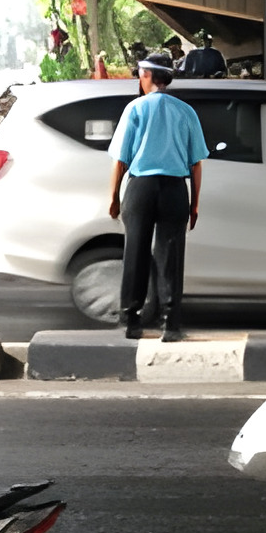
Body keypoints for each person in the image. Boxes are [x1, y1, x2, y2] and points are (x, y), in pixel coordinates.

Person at [106, 53, 207, 341]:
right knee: (170, 256)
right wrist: (195, 203)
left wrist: (114, 196)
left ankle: (131, 321)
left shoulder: (135, 108)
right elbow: (196, 163)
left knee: (135, 252)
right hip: (175, 189)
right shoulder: (186, 111)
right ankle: (170, 325)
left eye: (140, 73)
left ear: (148, 75)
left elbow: (120, 160)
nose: (139, 78)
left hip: (141, 188)